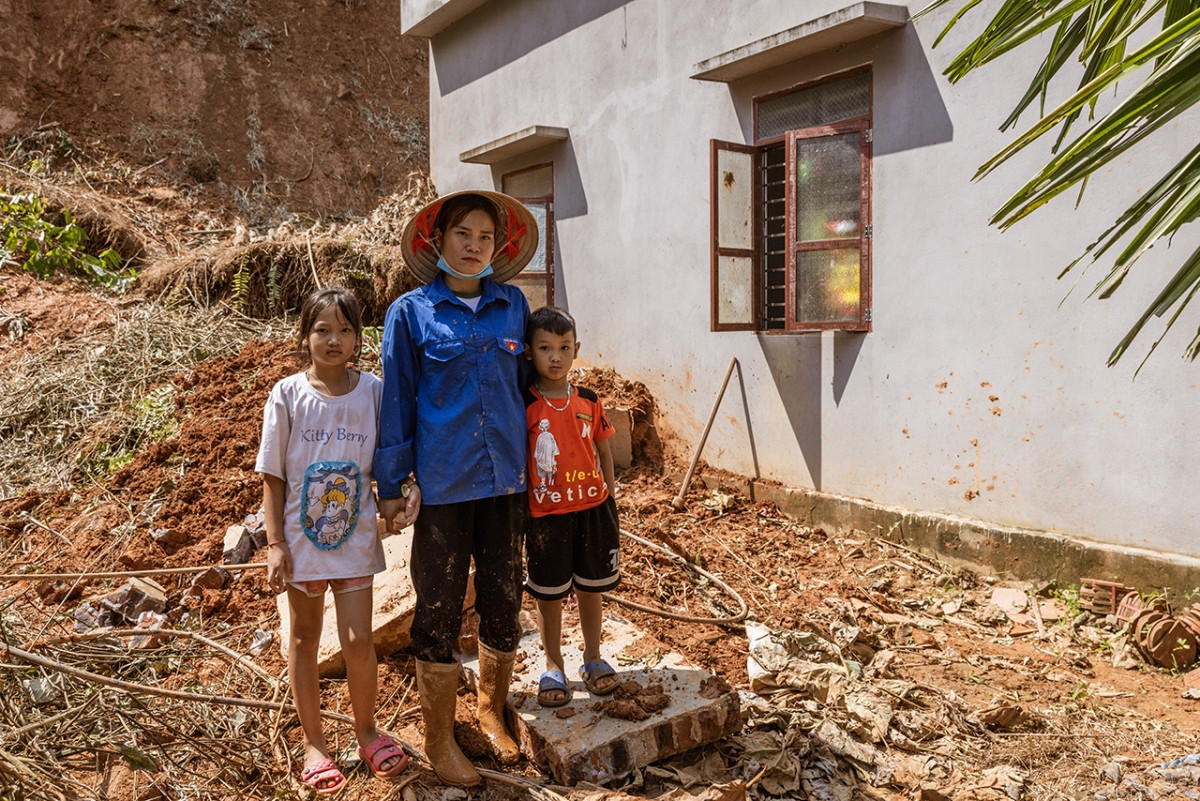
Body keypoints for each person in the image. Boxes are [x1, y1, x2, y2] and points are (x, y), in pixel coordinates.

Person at [376, 190, 539, 786]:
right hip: (444, 486)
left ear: (499, 248)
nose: (474, 247)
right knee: (438, 612)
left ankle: (490, 713)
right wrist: (391, 483)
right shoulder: (411, 313)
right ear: (437, 240)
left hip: (505, 484)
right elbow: (396, 400)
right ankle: (440, 739)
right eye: (463, 235)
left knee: (503, 600)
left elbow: (530, 384)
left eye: (485, 239)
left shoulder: (513, 306)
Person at [257, 287, 408, 795]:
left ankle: (367, 731)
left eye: (345, 330)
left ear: (359, 338)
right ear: (305, 337)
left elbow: (389, 459)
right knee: (303, 638)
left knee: (359, 640)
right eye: (323, 330)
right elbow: (273, 477)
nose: (334, 339)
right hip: (301, 540)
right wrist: (275, 542)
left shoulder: (374, 392)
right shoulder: (288, 395)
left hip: (355, 537)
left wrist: (398, 498)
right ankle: (315, 744)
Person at [521, 306, 622, 707]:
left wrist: (609, 495)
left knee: (590, 586)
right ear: (529, 352)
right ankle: (553, 664)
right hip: (546, 515)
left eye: (564, 347)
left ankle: (593, 658)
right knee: (549, 592)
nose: (555, 356)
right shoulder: (525, 405)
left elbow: (603, 447)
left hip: (592, 509)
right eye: (545, 347)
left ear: (576, 349)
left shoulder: (589, 400)